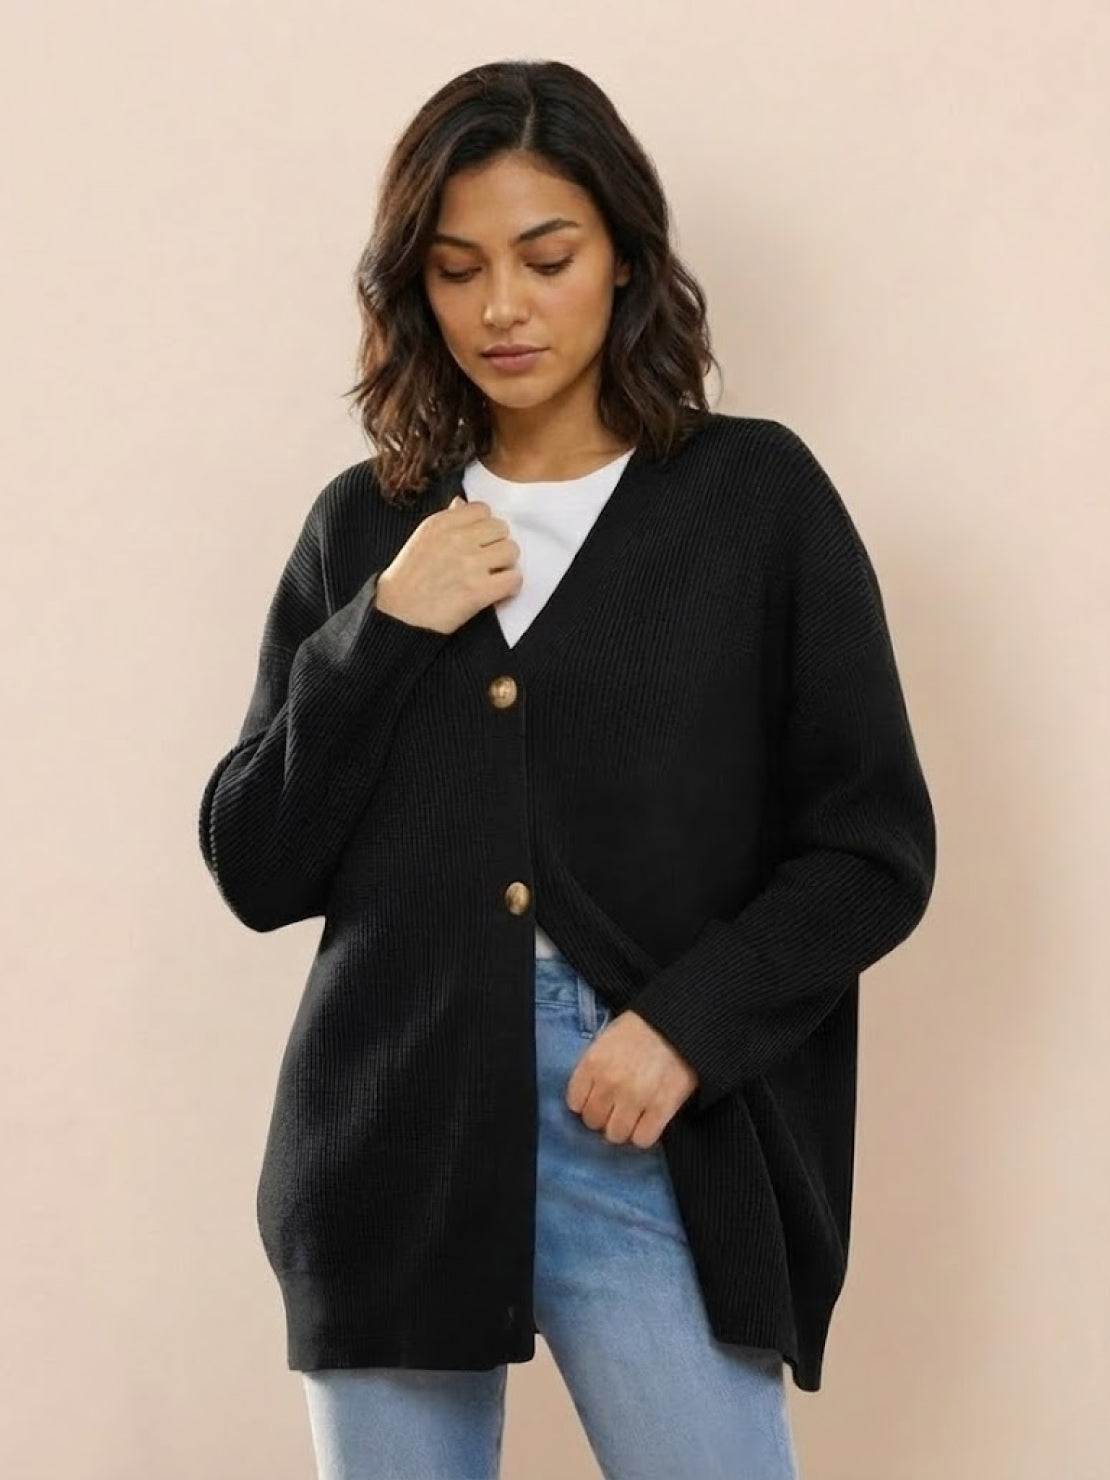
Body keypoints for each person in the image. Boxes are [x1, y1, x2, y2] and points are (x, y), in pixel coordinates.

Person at [199, 58, 936, 1480]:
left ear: (625, 262)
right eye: (456, 268)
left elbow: (871, 852)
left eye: (546, 259)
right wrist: (379, 631)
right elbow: (257, 864)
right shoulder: (367, 527)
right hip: (395, 1129)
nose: (501, 307)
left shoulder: (754, 500)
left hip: (647, 1127)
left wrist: (689, 1026)